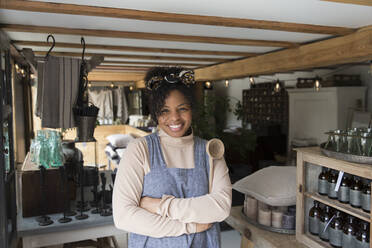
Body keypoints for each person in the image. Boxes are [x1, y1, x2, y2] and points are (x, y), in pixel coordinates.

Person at [112, 67, 232, 248]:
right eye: (164, 111)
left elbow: (221, 208)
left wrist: (160, 206)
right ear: (155, 113)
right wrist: (190, 226)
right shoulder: (139, 149)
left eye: (182, 108)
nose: (174, 118)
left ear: (192, 108)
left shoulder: (211, 151)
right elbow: (124, 217)